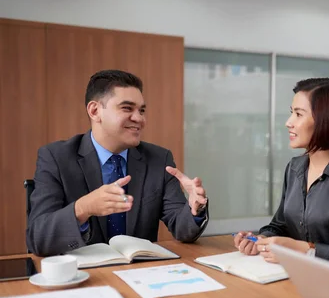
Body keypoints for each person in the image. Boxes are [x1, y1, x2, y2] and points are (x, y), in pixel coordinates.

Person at [27, 70, 209, 256]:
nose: (139, 119)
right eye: (127, 108)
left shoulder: (159, 159)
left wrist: (195, 209)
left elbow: (181, 227)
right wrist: (83, 208)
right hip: (83, 277)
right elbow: (38, 239)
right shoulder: (56, 157)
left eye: (142, 110)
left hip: (140, 274)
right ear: (95, 111)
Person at [233, 78, 329, 267]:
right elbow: (280, 225)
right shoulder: (294, 168)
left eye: (299, 114)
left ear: (326, 120)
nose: (288, 123)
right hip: (291, 275)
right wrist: (261, 239)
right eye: (291, 113)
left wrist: (307, 250)